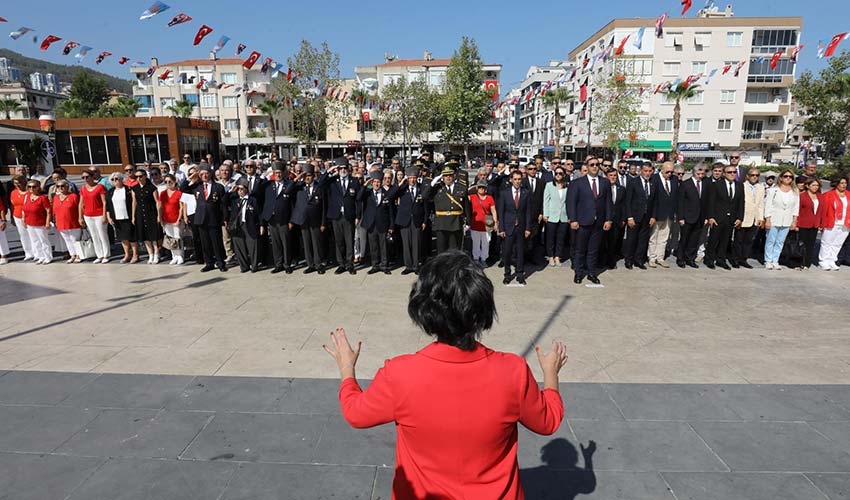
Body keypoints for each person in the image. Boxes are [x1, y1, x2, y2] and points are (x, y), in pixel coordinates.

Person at [323, 250, 567, 500]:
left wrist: (347, 368)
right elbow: (548, 421)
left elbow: (355, 413)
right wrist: (550, 374)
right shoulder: (513, 371)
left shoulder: (399, 373)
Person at [566, 159, 613, 284]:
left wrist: (608, 219)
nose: (595, 167)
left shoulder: (605, 182)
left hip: (599, 222)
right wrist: (573, 219)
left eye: (597, 165)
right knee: (580, 249)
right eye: (592, 165)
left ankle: (592, 273)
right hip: (582, 222)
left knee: (593, 250)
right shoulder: (577, 183)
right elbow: (571, 203)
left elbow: (608, 202)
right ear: (587, 166)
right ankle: (578, 273)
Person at [319, 158, 360, 275]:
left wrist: (358, 215)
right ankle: (341, 264)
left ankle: (349, 264)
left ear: (348, 168)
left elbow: (358, 200)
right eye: (340, 168)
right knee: (339, 241)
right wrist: (328, 171)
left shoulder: (354, 181)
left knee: (349, 241)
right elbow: (321, 184)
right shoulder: (332, 181)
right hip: (336, 216)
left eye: (344, 168)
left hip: (349, 215)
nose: (343, 170)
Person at [387, 167, 428, 275]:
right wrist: (400, 183)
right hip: (404, 220)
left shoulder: (421, 188)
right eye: (410, 178)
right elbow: (390, 195)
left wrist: (425, 221)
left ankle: (416, 265)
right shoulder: (402, 189)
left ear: (417, 178)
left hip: (417, 220)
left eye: (414, 178)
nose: (412, 180)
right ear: (407, 178)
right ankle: (408, 266)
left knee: (416, 244)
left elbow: (426, 206)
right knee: (406, 244)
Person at [424, 164, 470, 254]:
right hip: (441, 223)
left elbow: (467, 207)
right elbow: (425, 196)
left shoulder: (462, 188)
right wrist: (432, 183)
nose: (448, 177)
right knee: (442, 251)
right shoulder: (437, 188)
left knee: (455, 251)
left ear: (454, 175)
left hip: (456, 223)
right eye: (445, 175)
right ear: (442, 177)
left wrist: (468, 223)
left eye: (450, 175)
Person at [704, 165, 744, 270]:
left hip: (731, 218)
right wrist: (711, 217)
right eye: (729, 172)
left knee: (725, 240)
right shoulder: (716, 185)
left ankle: (721, 259)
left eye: (734, 172)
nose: (732, 174)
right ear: (724, 174)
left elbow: (741, 203)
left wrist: (740, 218)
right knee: (713, 240)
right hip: (718, 218)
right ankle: (709, 259)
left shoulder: (739, 186)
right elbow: (711, 202)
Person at [289, 164, 326, 274]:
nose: (307, 178)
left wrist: (323, 222)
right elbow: (287, 191)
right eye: (305, 176)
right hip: (303, 220)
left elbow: (324, 206)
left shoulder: (319, 187)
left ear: (313, 176)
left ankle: (318, 264)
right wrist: (297, 178)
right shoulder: (299, 187)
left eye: (309, 175)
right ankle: (310, 265)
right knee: (307, 244)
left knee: (316, 244)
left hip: (316, 221)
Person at [497, 171, 532, 286]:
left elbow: (528, 212)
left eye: (519, 179)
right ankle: (507, 274)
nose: (517, 181)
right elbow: (501, 212)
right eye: (515, 179)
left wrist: (528, 228)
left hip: (521, 227)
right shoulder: (504, 193)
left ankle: (520, 274)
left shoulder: (526, 193)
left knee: (520, 251)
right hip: (508, 227)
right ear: (511, 180)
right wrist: (501, 228)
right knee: (507, 252)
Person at [192, 164, 228, 272]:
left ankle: (220, 262)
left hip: (214, 218)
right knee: (205, 243)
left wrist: (225, 218)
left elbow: (223, 205)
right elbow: (183, 188)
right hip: (201, 218)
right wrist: (192, 177)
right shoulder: (197, 187)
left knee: (216, 242)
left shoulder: (218, 187)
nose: (204, 176)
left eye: (206, 173)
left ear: (210, 173)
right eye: (202, 174)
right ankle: (209, 263)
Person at [262, 162, 295, 274]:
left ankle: (287, 264)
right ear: (273, 174)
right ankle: (278, 264)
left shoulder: (288, 184)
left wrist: (291, 220)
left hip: (284, 219)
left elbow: (292, 205)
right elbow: (257, 189)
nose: (278, 175)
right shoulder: (268, 186)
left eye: (280, 173)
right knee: (275, 243)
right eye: (276, 173)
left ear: (284, 173)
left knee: (286, 243)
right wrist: (265, 175)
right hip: (272, 219)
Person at [357, 170, 393, 275]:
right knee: (373, 246)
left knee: (383, 246)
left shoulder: (386, 194)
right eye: (374, 182)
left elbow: (390, 211)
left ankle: (384, 265)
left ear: (381, 182)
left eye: (378, 182)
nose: (376, 184)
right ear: (372, 183)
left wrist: (391, 226)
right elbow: (358, 198)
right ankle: (375, 265)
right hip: (371, 224)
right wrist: (365, 185)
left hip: (383, 224)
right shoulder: (367, 193)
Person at [763, 169, 799, 270]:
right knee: (770, 240)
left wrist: (794, 220)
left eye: (790, 177)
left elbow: (796, 207)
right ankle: (768, 260)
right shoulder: (773, 190)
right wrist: (768, 219)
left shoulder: (795, 192)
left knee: (780, 242)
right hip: (774, 219)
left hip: (787, 220)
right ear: (781, 178)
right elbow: (768, 205)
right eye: (786, 176)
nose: (788, 178)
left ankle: (775, 260)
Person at [623, 163, 656, 269]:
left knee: (643, 240)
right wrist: (629, 217)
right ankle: (629, 260)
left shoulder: (653, 183)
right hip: (635, 216)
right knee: (631, 240)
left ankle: (639, 260)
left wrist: (653, 216)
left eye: (650, 171)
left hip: (647, 217)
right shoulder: (633, 182)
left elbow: (655, 201)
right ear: (641, 171)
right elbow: (628, 201)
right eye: (645, 171)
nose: (647, 173)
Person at [733, 168, 765, 269]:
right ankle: (736, 259)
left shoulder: (760, 187)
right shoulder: (742, 186)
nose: (754, 177)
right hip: (743, 217)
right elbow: (738, 203)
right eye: (752, 175)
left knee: (748, 241)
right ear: (747, 176)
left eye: (757, 175)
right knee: (738, 240)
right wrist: (738, 217)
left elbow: (761, 204)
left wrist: (760, 218)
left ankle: (744, 259)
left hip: (755, 218)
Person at [676, 163, 707, 268]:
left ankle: (690, 258)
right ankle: (681, 259)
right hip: (687, 217)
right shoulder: (686, 184)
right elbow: (680, 202)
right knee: (684, 239)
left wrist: (706, 217)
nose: (700, 176)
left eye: (702, 174)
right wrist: (681, 217)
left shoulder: (705, 184)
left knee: (694, 240)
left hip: (700, 217)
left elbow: (706, 201)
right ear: (694, 173)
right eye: (698, 174)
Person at [647, 162, 677, 268]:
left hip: (669, 214)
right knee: (653, 237)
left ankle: (660, 257)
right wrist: (653, 215)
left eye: (671, 172)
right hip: (657, 213)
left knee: (664, 237)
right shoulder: (654, 179)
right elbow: (652, 199)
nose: (669, 174)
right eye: (667, 172)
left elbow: (675, 197)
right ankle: (652, 257)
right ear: (662, 170)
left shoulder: (674, 179)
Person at [228, 178, 261, 273]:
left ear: (246, 189)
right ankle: (244, 266)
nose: (240, 191)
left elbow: (259, 213)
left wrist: (261, 225)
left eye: (242, 189)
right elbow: (224, 200)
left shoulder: (252, 200)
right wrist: (231, 191)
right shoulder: (234, 200)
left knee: (252, 246)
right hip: (237, 226)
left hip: (250, 224)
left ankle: (254, 265)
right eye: (238, 189)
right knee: (239, 246)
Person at [818, 175, 850, 270]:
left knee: (838, 243)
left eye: (845, 183)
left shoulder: (848, 194)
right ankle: (823, 261)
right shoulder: (828, 195)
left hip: (845, 223)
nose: (844, 185)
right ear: (836, 184)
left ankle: (832, 260)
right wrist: (822, 223)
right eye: (842, 183)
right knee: (827, 242)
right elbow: (824, 210)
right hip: (832, 222)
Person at [131, 169, 163, 264]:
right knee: (145, 236)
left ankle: (156, 254)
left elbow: (157, 202)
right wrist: (133, 216)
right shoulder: (134, 188)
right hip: (140, 213)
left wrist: (159, 215)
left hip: (151, 213)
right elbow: (134, 203)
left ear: (145, 176)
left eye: (140, 176)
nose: (138, 178)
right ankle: (150, 254)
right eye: (136, 177)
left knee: (153, 235)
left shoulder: (152, 187)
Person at [79, 170, 111, 263]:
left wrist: (104, 215)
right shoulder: (83, 189)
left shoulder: (100, 187)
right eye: (83, 177)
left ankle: (106, 254)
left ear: (93, 177)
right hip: (88, 215)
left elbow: (104, 202)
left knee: (102, 235)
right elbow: (81, 204)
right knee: (94, 235)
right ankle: (99, 255)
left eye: (87, 177)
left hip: (99, 214)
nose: (85, 179)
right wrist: (80, 217)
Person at [106, 173, 139, 263]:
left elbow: (134, 203)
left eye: (117, 179)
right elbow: (108, 205)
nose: (115, 181)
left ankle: (135, 254)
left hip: (127, 216)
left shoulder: (128, 190)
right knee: (122, 237)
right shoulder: (110, 191)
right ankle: (127, 254)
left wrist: (133, 216)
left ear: (121, 179)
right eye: (113, 179)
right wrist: (109, 216)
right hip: (116, 217)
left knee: (131, 236)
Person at [600, 166, 626, 270]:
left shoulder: (621, 189)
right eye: (610, 175)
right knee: (602, 242)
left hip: (616, 220)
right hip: (603, 219)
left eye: (615, 175)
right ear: (606, 176)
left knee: (613, 242)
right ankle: (600, 261)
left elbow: (623, 205)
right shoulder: (601, 188)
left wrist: (623, 218)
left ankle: (611, 262)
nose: (613, 177)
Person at [543, 166, 569, 267]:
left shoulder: (567, 186)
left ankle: (558, 256)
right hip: (552, 216)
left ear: (564, 175)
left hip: (563, 216)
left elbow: (569, 202)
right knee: (550, 237)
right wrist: (546, 214)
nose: (558, 175)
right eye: (556, 173)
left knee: (561, 238)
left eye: (560, 173)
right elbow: (546, 200)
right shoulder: (549, 185)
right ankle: (551, 256)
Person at [51, 180, 82, 263]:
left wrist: (81, 218)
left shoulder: (73, 196)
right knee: (67, 240)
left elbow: (80, 208)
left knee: (74, 240)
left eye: (62, 186)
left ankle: (78, 255)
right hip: (61, 222)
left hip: (73, 222)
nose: (60, 188)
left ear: (67, 187)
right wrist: (54, 221)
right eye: (58, 186)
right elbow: (54, 211)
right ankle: (72, 255)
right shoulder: (56, 197)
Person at [159, 174, 187, 265]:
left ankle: (180, 256)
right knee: (170, 238)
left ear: (174, 182)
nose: (168, 183)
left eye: (170, 181)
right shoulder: (163, 193)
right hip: (166, 219)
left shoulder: (179, 193)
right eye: (166, 182)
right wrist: (160, 218)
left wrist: (179, 218)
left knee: (178, 237)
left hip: (176, 219)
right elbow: (160, 207)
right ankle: (174, 256)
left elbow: (181, 207)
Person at [468, 180, 497, 266]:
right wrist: (473, 187)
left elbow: (493, 211)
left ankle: (484, 259)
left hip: (487, 224)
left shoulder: (490, 198)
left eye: (483, 187)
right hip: (475, 224)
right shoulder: (473, 197)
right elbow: (465, 194)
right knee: (476, 243)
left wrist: (495, 222)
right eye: (480, 187)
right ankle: (476, 259)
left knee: (486, 243)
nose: (481, 189)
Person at [22, 180, 52, 264]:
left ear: (38, 187)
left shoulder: (42, 198)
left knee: (43, 240)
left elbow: (48, 211)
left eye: (34, 187)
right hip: (30, 222)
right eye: (29, 187)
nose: (31, 188)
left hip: (40, 223)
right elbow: (24, 209)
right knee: (35, 240)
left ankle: (48, 256)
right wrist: (23, 219)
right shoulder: (27, 196)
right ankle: (40, 256)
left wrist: (47, 222)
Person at [797, 178, 823, 269]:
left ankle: (807, 263)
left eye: (817, 185)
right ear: (807, 186)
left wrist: (821, 223)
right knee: (802, 244)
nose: (815, 187)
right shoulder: (802, 196)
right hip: (803, 223)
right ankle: (800, 262)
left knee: (811, 244)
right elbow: (798, 210)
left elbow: (821, 211)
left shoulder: (820, 196)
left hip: (814, 224)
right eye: (813, 185)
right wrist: (796, 223)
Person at [9, 175, 35, 261]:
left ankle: (36, 252)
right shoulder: (13, 193)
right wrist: (12, 217)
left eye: (19, 183)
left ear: (23, 182)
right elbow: (12, 206)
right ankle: (28, 252)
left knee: (32, 234)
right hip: (17, 216)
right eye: (15, 183)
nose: (17, 185)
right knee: (23, 235)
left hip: (29, 216)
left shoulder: (29, 192)